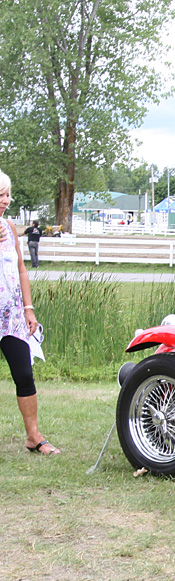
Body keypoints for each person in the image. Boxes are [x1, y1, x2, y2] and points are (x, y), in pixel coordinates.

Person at [0, 170, 60, 455]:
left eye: (7, 194)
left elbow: (21, 270)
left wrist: (28, 309)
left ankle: (33, 437)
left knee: (24, 374)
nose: (6, 200)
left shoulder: (10, 228)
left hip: (10, 317)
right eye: (0, 194)